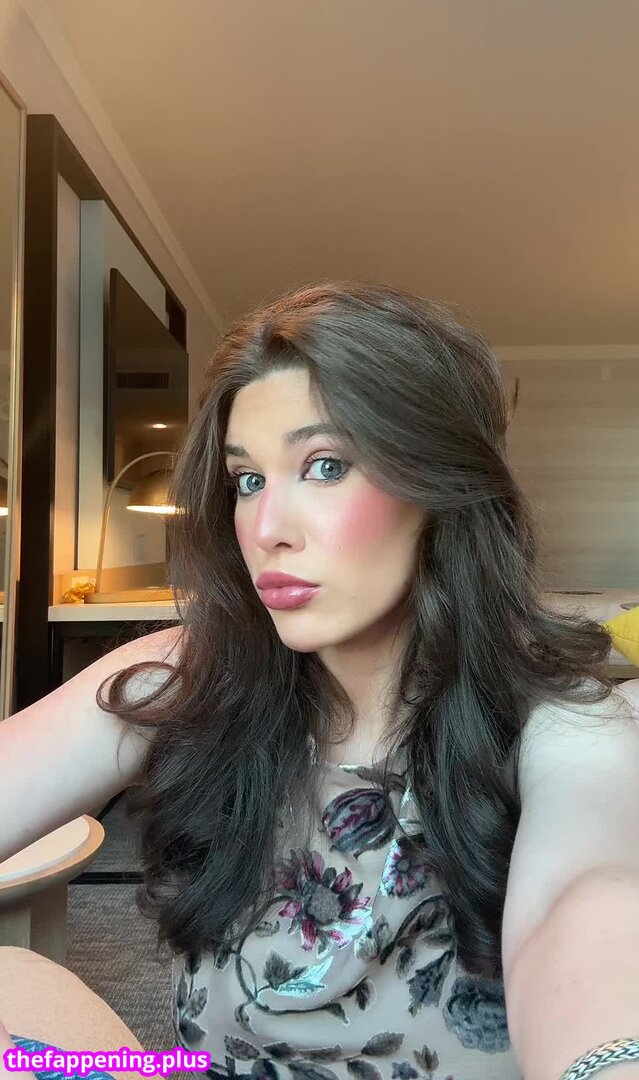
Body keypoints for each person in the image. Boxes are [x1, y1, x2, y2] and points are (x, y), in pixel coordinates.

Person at [1, 281, 639, 1080]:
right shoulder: (187, 675)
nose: (266, 529)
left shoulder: (566, 727)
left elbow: (587, 902)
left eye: (325, 465)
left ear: (436, 485)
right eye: (248, 480)